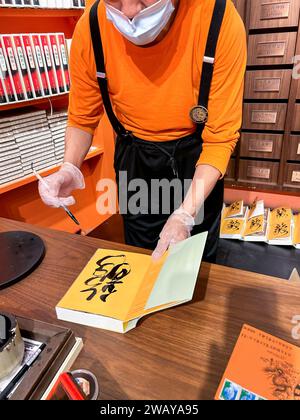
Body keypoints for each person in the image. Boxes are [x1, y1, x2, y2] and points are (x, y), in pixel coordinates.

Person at [39, 0, 247, 262]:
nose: (129, 11)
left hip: (197, 162)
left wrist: (185, 213)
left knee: (195, 260)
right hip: (136, 158)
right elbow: (82, 116)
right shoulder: (91, 26)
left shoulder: (218, 19)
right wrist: (70, 167)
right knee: (141, 256)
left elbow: (220, 138)